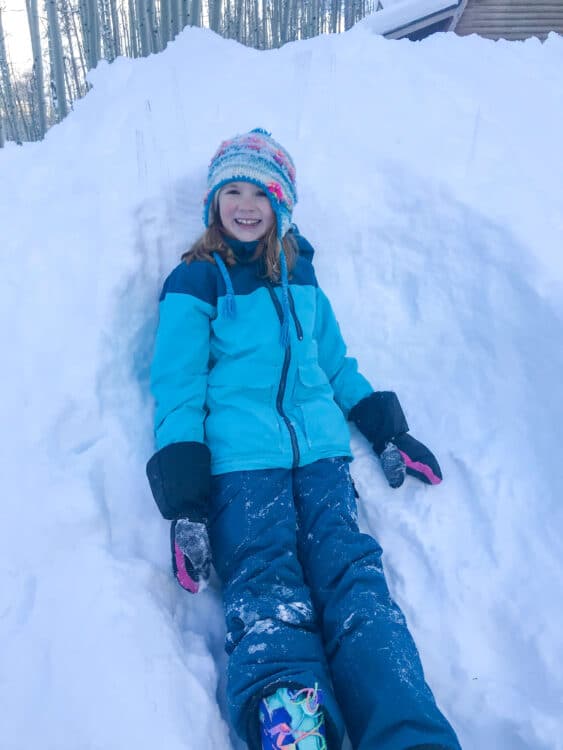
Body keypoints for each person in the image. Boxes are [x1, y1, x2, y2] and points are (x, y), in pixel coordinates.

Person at [146, 129, 461, 750]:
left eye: (258, 192)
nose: (243, 204)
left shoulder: (303, 273)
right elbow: (178, 389)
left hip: (322, 459)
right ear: (214, 202)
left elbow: (335, 364)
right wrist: (185, 503)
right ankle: (295, 729)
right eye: (230, 190)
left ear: (280, 203)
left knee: (355, 580)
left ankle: (408, 731)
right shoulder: (196, 280)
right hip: (242, 469)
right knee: (269, 588)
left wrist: (386, 429)